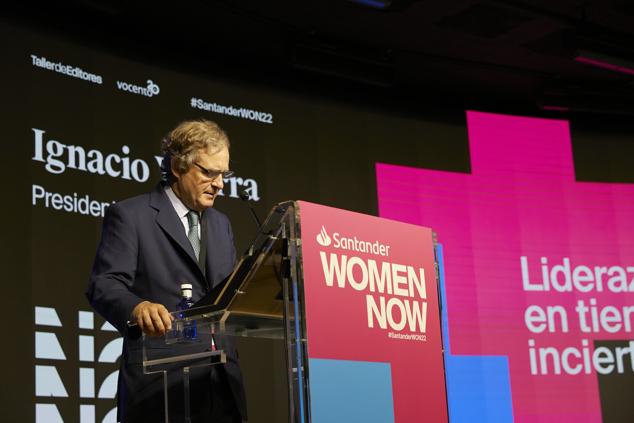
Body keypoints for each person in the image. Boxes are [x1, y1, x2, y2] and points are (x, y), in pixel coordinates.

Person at [86, 119, 246, 423]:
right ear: (177, 166)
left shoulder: (221, 224)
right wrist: (137, 307)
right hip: (161, 383)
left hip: (222, 385)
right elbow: (104, 285)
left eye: (224, 174)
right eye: (209, 173)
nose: (220, 184)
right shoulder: (131, 215)